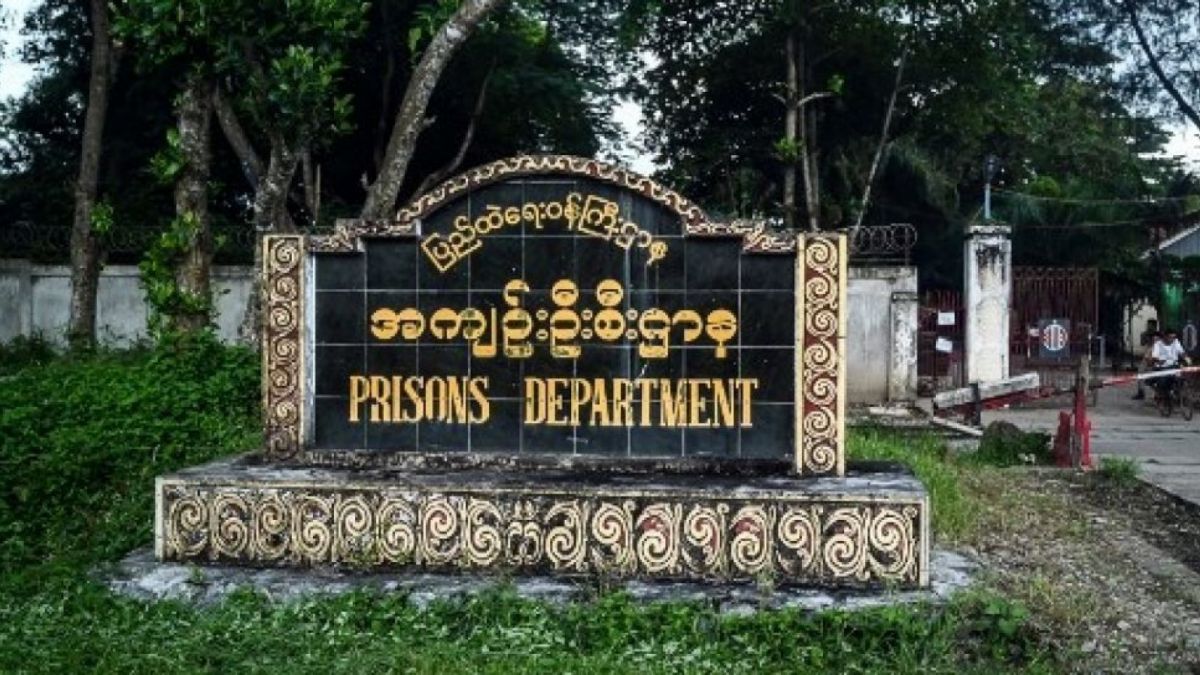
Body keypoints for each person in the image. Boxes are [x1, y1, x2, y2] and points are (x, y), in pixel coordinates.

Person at [1151, 327, 1191, 401]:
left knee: (1181, 378)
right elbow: (1154, 357)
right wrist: (1159, 360)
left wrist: (1186, 358)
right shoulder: (1158, 344)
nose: (1172, 339)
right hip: (1162, 367)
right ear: (1165, 336)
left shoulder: (1176, 342)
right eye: (1170, 337)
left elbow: (1181, 352)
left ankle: (1178, 393)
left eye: (1173, 337)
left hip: (1174, 366)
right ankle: (1161, 393)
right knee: (1163, 382)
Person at [1132, 330, 1161, 400]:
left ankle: (1157, 394)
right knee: (1142, 373)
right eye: (1154, 339)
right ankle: (1142, 392)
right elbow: (1146, 358)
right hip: (1150, 365)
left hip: (1156, 366)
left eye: (1157, 339)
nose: (1155, 340)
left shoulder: (1159, 346)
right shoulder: (1150, 347)